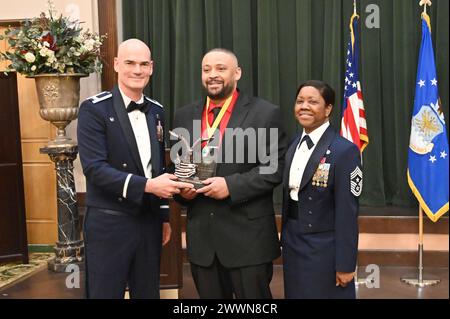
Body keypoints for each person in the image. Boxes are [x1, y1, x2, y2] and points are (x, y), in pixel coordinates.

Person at [77, 39, 193, 299]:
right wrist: (148, 186)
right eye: (130, 63)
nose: (137, 70)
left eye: (143, 64)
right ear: (117, 64)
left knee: (148, 293)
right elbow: (94, 169)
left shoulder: (157, 111)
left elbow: (158, 167)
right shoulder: (94, 109)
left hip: (148, 221)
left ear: (151, 68)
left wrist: (163, 217)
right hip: (109, 221)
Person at [172, 48, 288, 299]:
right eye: (206, 69)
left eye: (221, 68)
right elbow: (179, 170)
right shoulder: (184, 115)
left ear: (237, 73)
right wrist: (184, 193)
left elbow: (274, 169)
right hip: (203, 243)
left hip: (248, 242)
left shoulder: (264, 113)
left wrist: (231, 186)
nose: (213, 75)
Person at [281, 80, 361, 299]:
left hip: (324, 249)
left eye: (313, 101)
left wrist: (345, 264)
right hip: (293, 242)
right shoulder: (293, 143)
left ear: (328, 109)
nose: (304, 106)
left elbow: (347, 212)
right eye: (299, 101)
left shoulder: (345, 151)